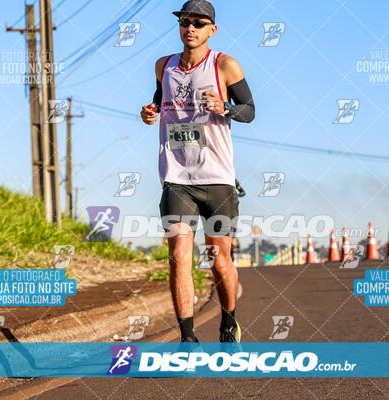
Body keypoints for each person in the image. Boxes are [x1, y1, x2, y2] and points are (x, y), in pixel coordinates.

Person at [140, 0, 255, 343]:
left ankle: (228, 321)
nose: (190, 27)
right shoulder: (165, 66)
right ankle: (188, 338)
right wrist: (149, 112)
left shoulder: (225, 65)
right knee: (178, 257)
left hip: (217, 179)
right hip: (177, 178)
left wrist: (226, 108)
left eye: (198, 23)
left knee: (220, 261)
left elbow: (249, 110)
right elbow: (158, 103)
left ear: (212, 29)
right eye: (185, 21)